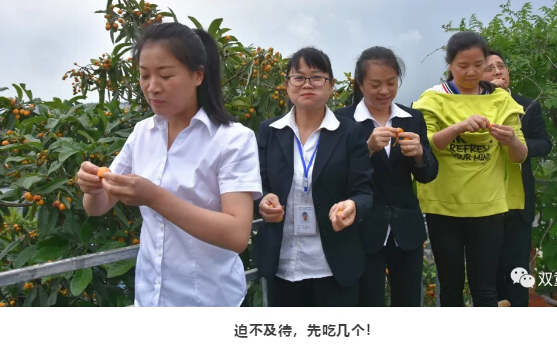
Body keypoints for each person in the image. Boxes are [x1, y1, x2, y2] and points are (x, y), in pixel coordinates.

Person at [77, 22, 262, 307]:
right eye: (144, 75)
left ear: (198, 75)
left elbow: (237, 235)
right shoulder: (143, 133)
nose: (152, 87)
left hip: (208, 303)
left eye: (165, 75)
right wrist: (93, 187)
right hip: (149, 299)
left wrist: (154, 197)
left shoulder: (233, 139)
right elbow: (97, 207)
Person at [412, 31, 528, 307]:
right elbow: (424, 146)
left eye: (478, 64)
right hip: (444, 206)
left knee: (485, 288)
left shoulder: (502, 101)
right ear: (449, 65)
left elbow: (519, 156)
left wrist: (511, 140)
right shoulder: (433, 99)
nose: (471, 72)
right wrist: (458, 128)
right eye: (463, 66)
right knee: (450, 287)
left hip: (489, 206)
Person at [253, 47, 374, 307]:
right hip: (282, 264)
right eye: (298, 77)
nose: (307, 84)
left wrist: (352, 205)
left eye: (317, 77)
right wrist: (262, 201)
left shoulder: (350, 133)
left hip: (334, 265)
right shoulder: (270, 131)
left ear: (331, 85)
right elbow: (255, 186)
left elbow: (364, 192)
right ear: (287, 84)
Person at [335, 46, 438, 306]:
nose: (384, 91)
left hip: (406, 229)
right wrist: (367, 149)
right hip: (363, 229)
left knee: (408, 303)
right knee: (368, 303)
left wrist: (419, 155)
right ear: (360, 84)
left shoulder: (412, 118)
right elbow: (334, 176)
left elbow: (427, 175)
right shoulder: (343, 121)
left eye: (391, 83)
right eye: (375, 84)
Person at [483, 50, 552, 307]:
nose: (498, 71)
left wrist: (516, 143)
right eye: (489, 68)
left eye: (501, 66)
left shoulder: (528, 105)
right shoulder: (472, 107)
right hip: (483, 201)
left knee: (517, 273)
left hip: (519, 202)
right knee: (486, 275)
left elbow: (544, 144)